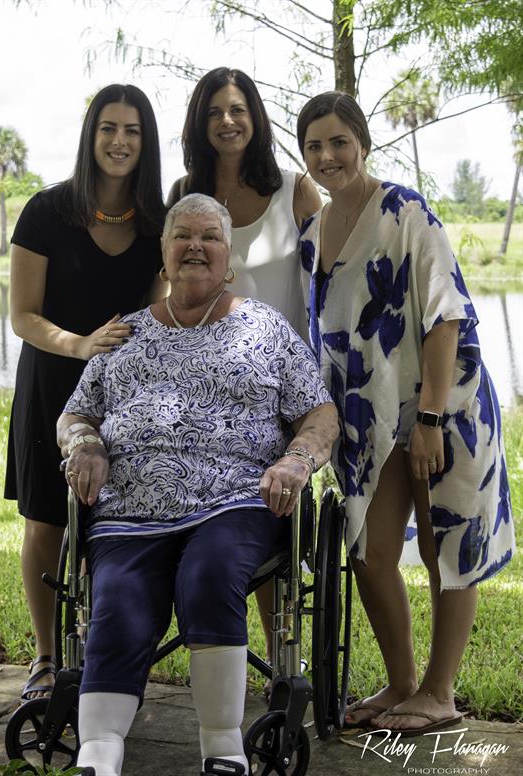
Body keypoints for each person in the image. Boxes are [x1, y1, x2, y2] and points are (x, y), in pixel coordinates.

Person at [56, 193, 338, 776]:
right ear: (163, 254)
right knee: (118, 599)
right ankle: (97, 755)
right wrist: (84, 444)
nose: (195, 246)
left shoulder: (266, 329)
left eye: (210, 236)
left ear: (227, 257)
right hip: (130, 508)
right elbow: (75, 412)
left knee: (208, 574)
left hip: (234, 500)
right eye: (182, 235)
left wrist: (295, 462)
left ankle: (223, 748)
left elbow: (320, 413)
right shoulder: (123, 334)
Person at [296, 91, 515, 736]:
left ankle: (439, 692)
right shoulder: (312, 235)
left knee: (449, 538)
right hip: (368, 422)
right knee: (370, 551)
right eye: (314, 146)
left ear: (362, 142)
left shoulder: (404, 210)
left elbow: (445, 313)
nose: (327, 155)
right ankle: (401, 683)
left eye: (339, 141)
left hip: (439, 404)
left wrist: (429, 419)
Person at [4, 84, 166, 702]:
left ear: (145, 142)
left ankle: (108, 658)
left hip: (129, 398)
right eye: (108, 128)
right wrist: (78, 345)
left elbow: (163, 306)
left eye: (132, 130)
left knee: (117, 523)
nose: (119, 141)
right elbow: (22, 315)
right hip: (50, 384)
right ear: (90, 135)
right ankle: (46, 658)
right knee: (46, 520)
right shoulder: (47, 212)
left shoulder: (156, 222)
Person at [167, 66, 322, 673]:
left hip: (281, 381)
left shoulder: (295, 189)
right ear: (199, 124)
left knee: (270, 515)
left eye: (238, 109)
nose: (227, 121)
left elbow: (326, 286)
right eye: (213, 112)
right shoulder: (185, 191)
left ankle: (285, 667)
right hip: (205, 386)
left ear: (255, 118)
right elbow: (171, 282)